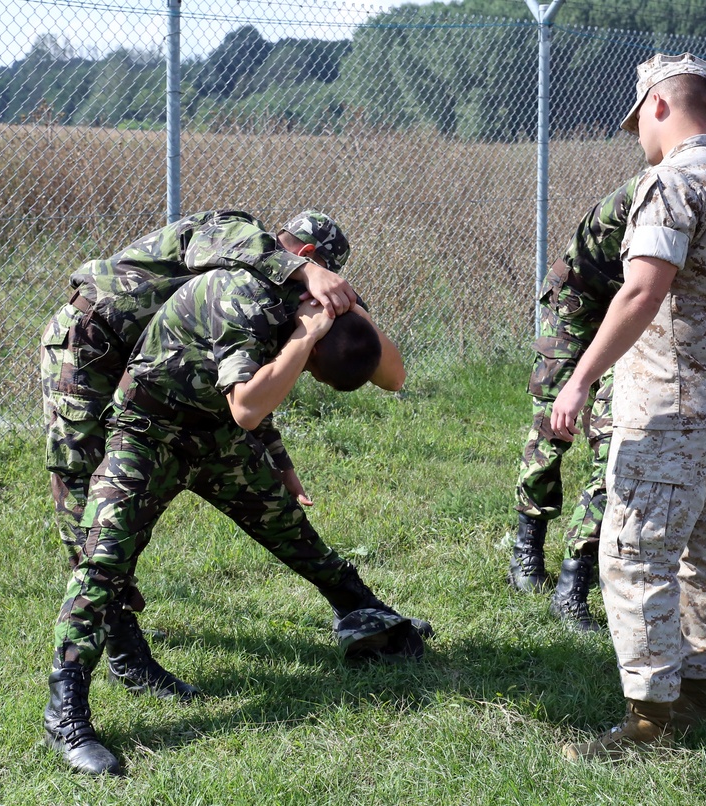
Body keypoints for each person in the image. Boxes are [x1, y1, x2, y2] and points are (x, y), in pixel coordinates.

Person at [43, 214, 427, 776]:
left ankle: (360, 606)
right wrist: (304, 329)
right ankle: (70, 708)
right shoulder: (245, 276)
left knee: (280, 518)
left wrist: (279, 460)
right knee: (101, 550)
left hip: (208, 425)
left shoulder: (302, 301)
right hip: (139, 418)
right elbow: (248, 401)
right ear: (305, 254)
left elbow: (376, 376)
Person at [550, 52, 706, 759]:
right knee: (703, 551)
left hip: (674, 409)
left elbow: (641, 290)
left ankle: (651, 725)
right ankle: (698, 692)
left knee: (636, 556)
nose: (636, 132)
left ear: (660, 108)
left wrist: (579, 378)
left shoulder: (670, 184)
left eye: (638, 118)